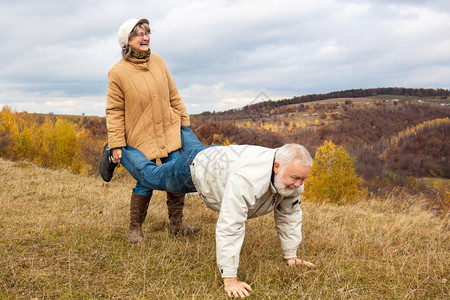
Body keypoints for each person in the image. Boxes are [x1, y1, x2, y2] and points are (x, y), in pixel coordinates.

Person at [119, 126, 316, 298]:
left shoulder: (290, 177)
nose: (298, 185)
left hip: (214, 155)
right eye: (295, 178)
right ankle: (118, 150)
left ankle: (177, 123)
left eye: (303, 179)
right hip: (192, 170)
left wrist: (291, 255)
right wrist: (230, 278)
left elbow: (289, 215)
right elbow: (231, 225)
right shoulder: (247, 180)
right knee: (150, 176)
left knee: (194, 146)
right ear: (276, 166)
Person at [100, 18, 199, 243]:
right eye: (138, 35)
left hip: (168, 130)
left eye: (147, 33)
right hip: (140, 135)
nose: (145, 38)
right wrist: (116, 143)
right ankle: (135, 229)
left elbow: (174, 95)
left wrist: (184, 122)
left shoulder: (159, 62)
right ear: (127, 41)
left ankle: (176, 223)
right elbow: (114, 110)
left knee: (178, 172)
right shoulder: (117, 72)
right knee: (145, 180)